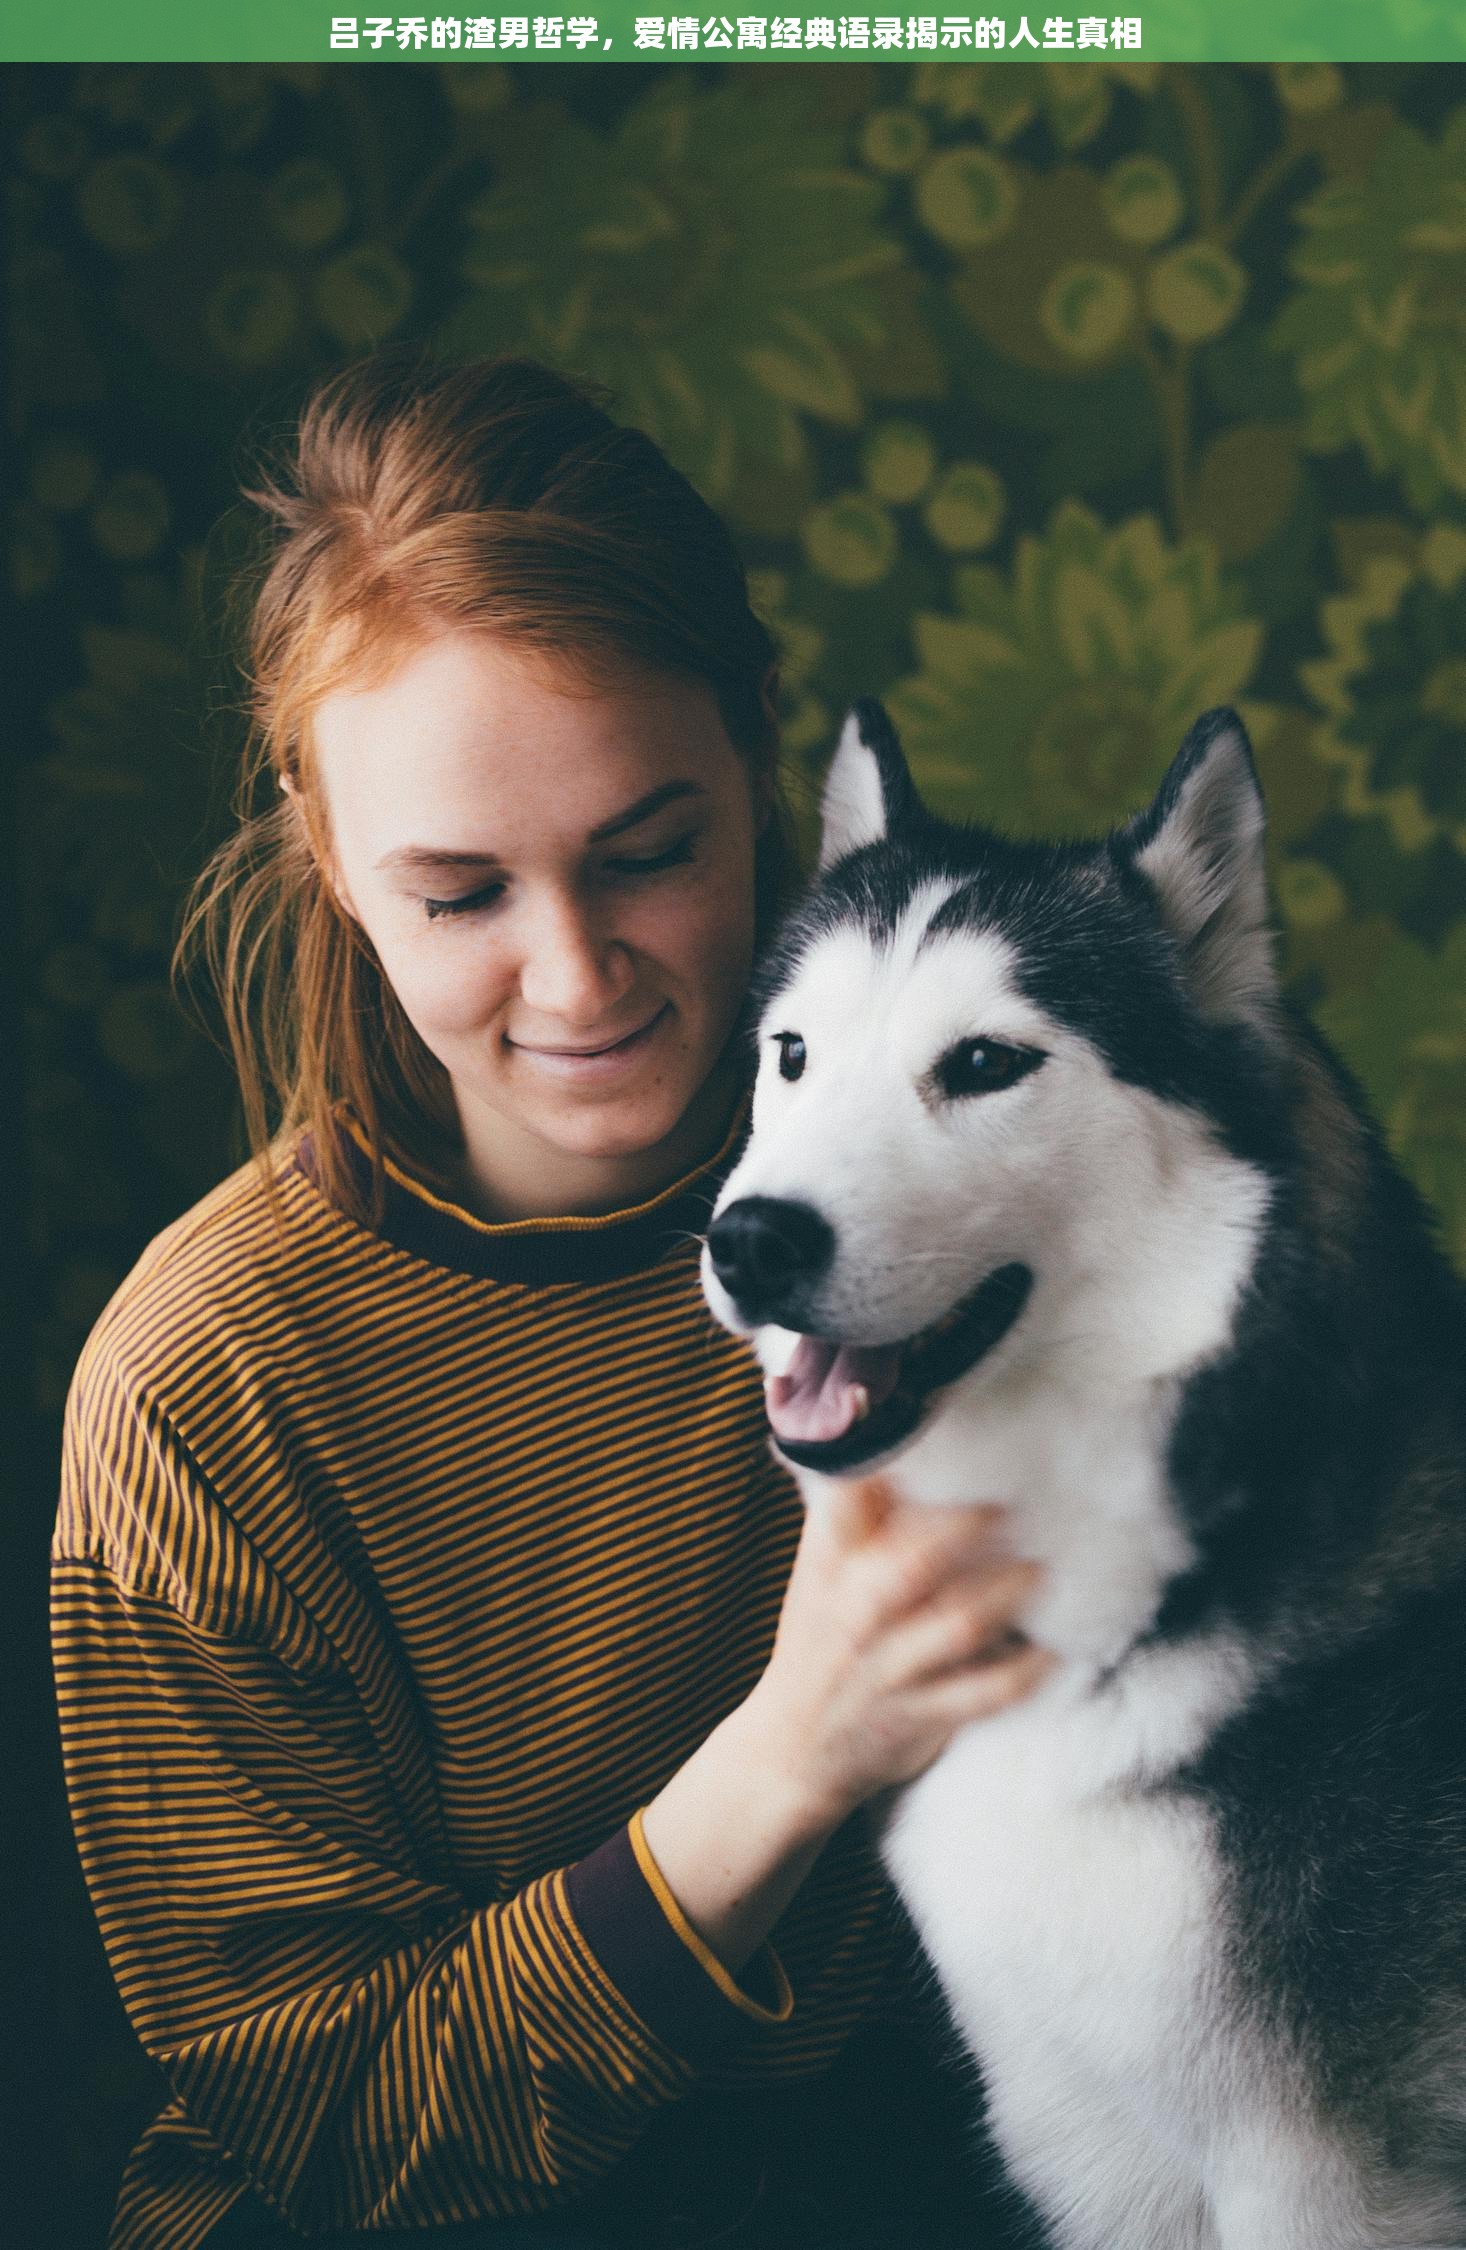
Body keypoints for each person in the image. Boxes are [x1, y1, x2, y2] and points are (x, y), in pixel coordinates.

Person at [51, 349, 1053, 2250]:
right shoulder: (203, 1391)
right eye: (458, 894)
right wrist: (799, 1745)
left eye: (648, 852)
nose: (578, 978)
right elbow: (323, 2127)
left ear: (753, 742)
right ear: (324, 848)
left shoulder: (990, 1150)